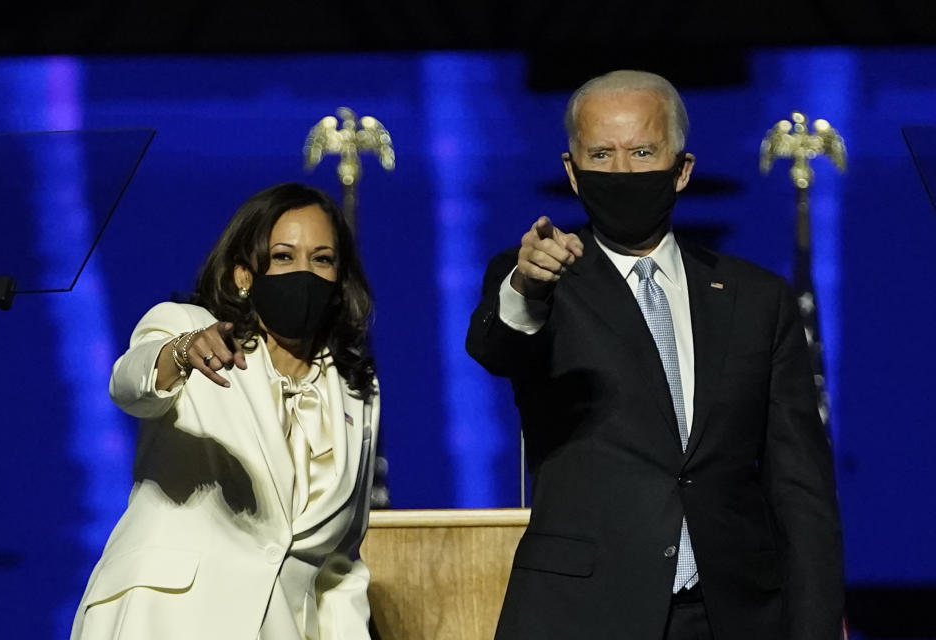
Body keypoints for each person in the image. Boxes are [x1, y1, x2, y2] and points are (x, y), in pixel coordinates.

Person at [466, 70, 843, 640]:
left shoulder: (756, 298)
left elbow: (800, 486)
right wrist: (528, 286)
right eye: (600, 154)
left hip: (731, 615)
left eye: (642, 152)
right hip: (580, 614)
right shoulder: (540, 278)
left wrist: (815, 625)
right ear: (572, 173)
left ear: (681, 170)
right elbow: (498, 344)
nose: (620, 172)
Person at [71, 183, 380, 640]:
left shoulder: (356, 387)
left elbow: (339, 562)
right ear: (243, 274)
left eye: (322, 259)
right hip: (166, 617)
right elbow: (129, 384)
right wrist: (178, 354)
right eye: (282, 256)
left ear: (340, 277)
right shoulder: (189, 328)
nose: (304, 272)